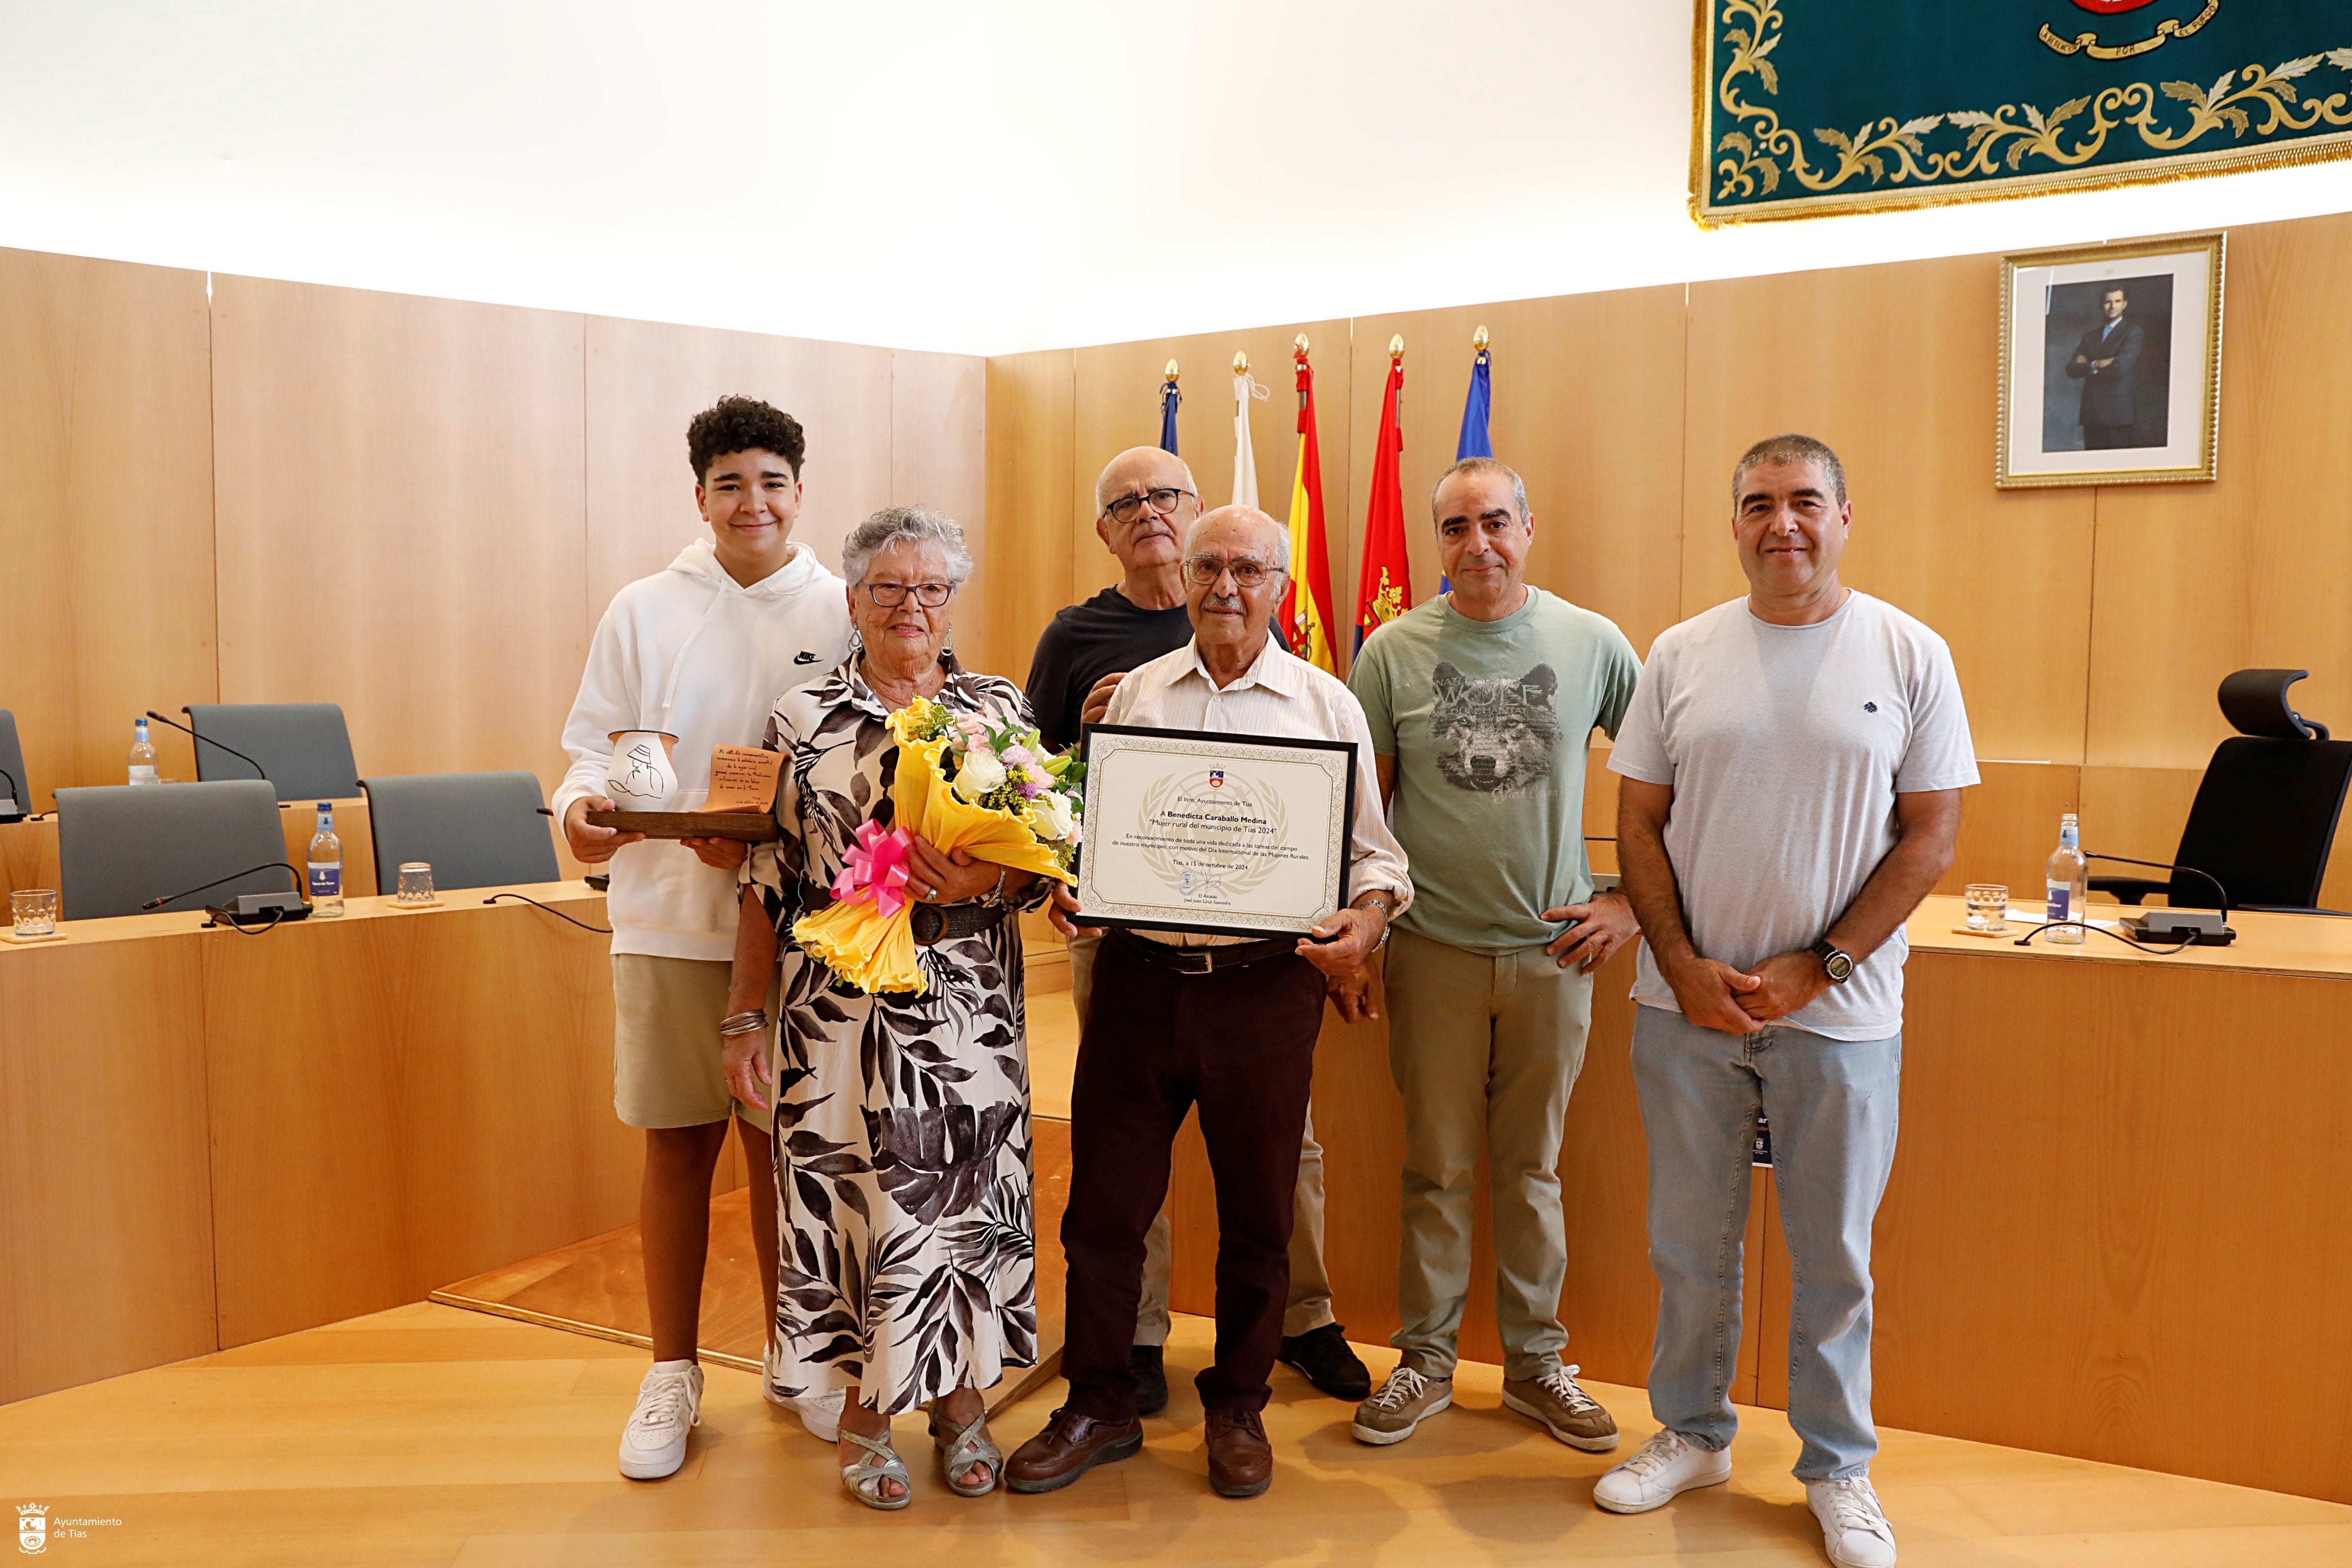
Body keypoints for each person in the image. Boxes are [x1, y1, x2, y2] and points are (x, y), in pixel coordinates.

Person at [1595, 435, 1974, 1568]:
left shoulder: (1909, 652)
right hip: (1684, 1007)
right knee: (1690, 1242)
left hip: (1841, 1015)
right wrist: (1684, 963)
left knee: (1835, 1254)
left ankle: (1838, 1469)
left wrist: (1828, 962)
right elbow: (1638, 825)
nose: (1783, 525)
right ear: (1735, 525)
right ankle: (1693, 1433)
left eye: (1806, 502)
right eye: (1758, 505)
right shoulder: (1680, 653)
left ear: (1847, 515)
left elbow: (1933, 835)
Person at [1006, 505, 1412, 1501]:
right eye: (1208, 569)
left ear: (1279, 586)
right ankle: (1098, 1403)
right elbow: (1083, 828)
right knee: (1103, 1210)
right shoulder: (1128, 697)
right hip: (1138, 986)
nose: (1225, 588)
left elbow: (1376, 858)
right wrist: (1070, 879)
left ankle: (1236, 1407)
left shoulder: (1326, 707)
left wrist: (1364, 923)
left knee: (1259, 1217)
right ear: (1180, 579)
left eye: (1247, 570)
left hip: (1263, 992)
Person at [723, 506, 1048, 1510]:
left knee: (962, 1203)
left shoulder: (999, 710)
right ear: (853, 600)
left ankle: (959, 1403)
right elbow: (765, 879)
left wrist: (980, 889)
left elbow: (1039, 870)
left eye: (931, 589)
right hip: (836, 1007)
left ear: (953, 602)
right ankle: (865, 1410)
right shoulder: (799, 716)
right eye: (888, 588)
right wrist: (743, 1018)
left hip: (970, 1003)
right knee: (856, 1200)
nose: (911, 606)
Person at [553, 395, 852, 1482]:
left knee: (789, 1153)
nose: (751, 501)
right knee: (678, 1147)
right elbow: (591, 753)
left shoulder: (845, 602)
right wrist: (580, 810)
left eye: (771, 480)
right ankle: (672, 1371)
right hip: (670, 928)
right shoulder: (642, 607)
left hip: (810, 937)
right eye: (729, 483)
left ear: (800, 492)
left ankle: (798, 1353)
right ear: (700, 497)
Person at [1343, 457, 1640, 1450]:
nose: (1478, 545)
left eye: (1495, 522)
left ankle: (1533, 1364)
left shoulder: (1591, 643)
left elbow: (1665, 783)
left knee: (1531, 1170)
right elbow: (1360, 813)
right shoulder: (1388, 653)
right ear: (1436, 540)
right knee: (1433, 1168)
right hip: (1429, 950)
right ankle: (1423, 1361)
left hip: (1554, 955)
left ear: (1526, 526)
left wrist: (1631, 905)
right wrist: (1361, 932)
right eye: (1456, 527)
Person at [2066, 285, 2143, 449]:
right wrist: (2096, 364)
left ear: (2125, 304)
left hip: (2117, 415)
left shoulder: (2132, 333)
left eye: (2117, 301)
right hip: (2091, 414)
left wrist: (2087, 365)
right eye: (2108, 302)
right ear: (2102, 305)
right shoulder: (2090, 336)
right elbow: (2071, 369)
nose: (2112, 306)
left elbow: (2118, 369)